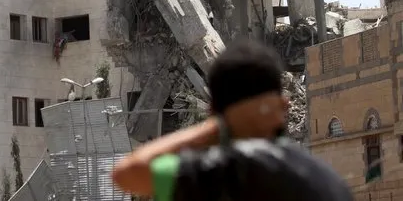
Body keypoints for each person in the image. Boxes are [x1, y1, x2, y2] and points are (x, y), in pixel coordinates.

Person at [112, 39, 352, 200]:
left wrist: (216, 127)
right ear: (284, 104)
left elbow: (129, 173)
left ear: (213, 110)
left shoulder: (218, 174)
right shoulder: (330, 183)